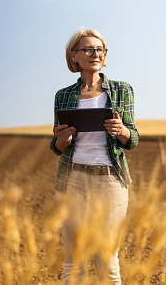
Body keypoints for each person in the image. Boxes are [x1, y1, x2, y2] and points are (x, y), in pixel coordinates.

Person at [50, 29, 139, 284]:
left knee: (107, 258)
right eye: (88, 49)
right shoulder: (63, 95)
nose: (96, 54)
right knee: (73, 259)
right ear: (74, 57)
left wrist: (121, 130)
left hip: (110, 181)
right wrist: (61, 140)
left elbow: (132, 139)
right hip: (72, 181)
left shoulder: (122, 90)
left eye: (100, 49)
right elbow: (56, 147)